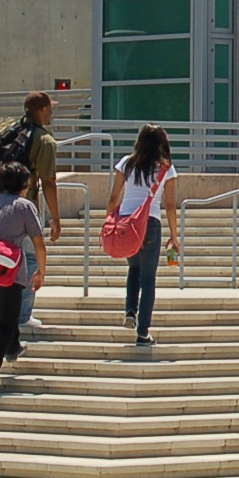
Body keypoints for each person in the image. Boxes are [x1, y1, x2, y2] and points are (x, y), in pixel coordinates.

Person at [0, 91, 64, 338]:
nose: (52, 113)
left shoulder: (8, 131)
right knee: (29, 260)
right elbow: (49, 182)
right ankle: (21, 315)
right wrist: (55, 218)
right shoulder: (45, 141)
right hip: (22, 208)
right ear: (42, 110)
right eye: (50, 108)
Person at [0, 161, 48, 394]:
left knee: (9, 314)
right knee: (5, 325)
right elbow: (38, 242)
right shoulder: (24, 207)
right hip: (10, 272)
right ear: (24, 185)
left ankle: (13, 347)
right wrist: (41, 271)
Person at [106, 123, 180, 347]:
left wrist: (109, 221)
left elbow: (114, 197)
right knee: (148, 279)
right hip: (150, 223)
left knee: (133, 269)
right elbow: (170, 205)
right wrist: (174, 236)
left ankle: (130, 310)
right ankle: (143, 332)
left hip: (126, 223)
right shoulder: (166, 168)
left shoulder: (126, 163)